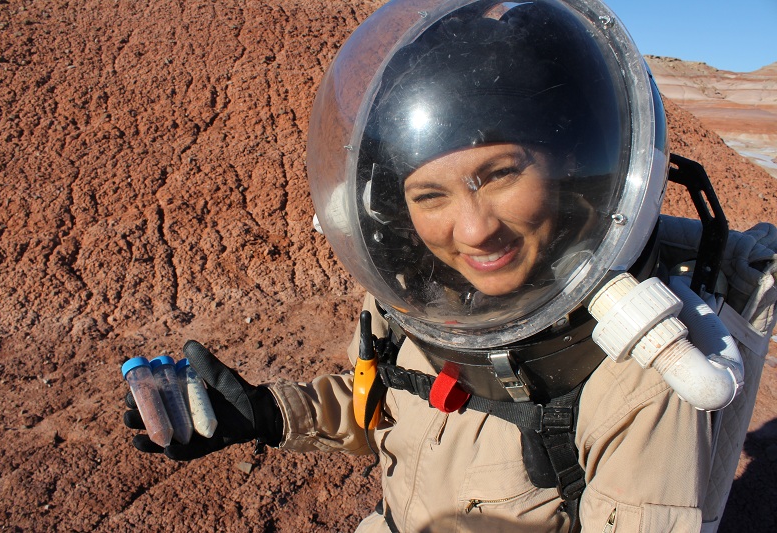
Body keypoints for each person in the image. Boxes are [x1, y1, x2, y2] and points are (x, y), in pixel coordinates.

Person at [123, 0, 777, 531]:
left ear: (567, 168)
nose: (473, 228)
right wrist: (261, 412)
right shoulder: (413, 303)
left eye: (500, 174)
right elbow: (380, 408)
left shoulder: (632, 377)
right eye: (429, 195)